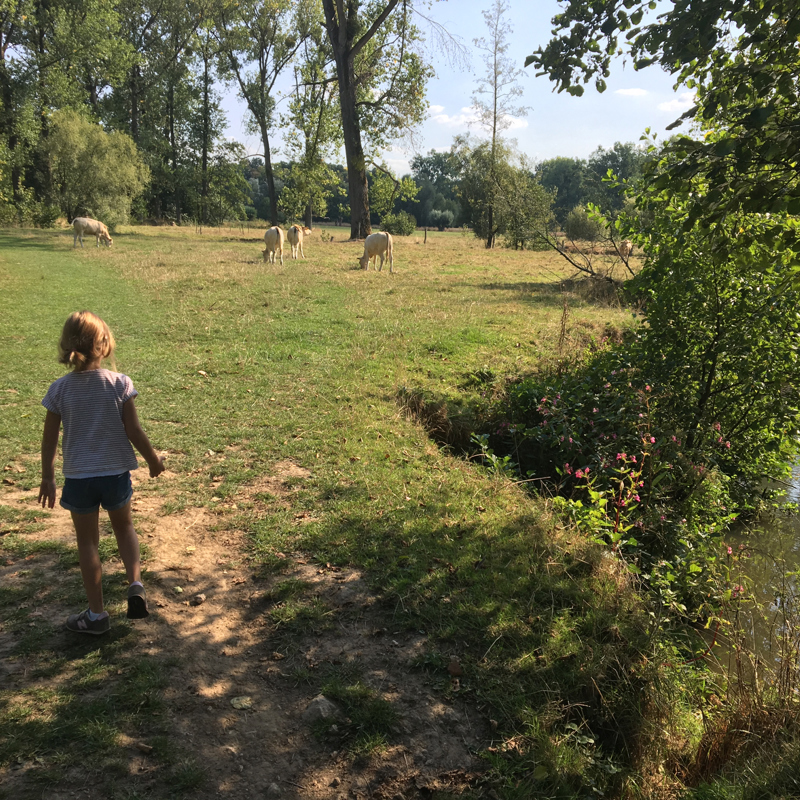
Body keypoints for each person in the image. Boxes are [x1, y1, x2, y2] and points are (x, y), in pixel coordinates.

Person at [38, 311, 165, 634]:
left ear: (66, 347)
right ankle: (135, 582)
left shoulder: (59, 390)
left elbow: (50, 438)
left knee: (88, 543)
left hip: (79, 477)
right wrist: (152, 459)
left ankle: (96, 615)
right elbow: (133, 429)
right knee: (125, 528)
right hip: (115, 474)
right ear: (104, 346)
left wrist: (48, 477)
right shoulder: (119, 384)